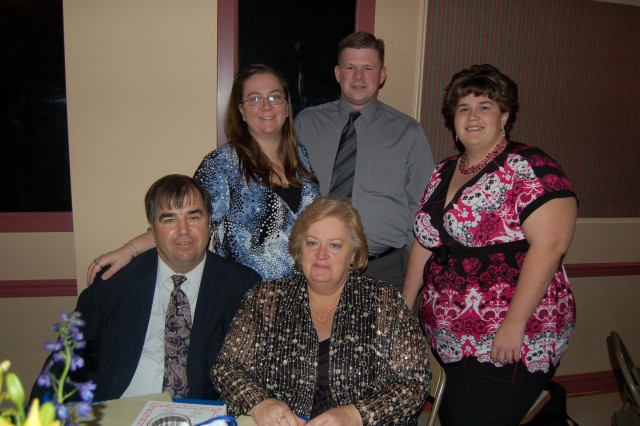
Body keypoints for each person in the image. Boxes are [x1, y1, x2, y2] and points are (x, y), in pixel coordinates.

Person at [402, 64, 578, 425]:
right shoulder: (443, 170)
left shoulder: (529, 164)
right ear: (452, 119)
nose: (472, 116)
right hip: (448, 334)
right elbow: (426, 240)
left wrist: (514, 323)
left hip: (510, 332)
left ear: (505, 115)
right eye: (463, 108)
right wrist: (405, 304)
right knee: (453, 411)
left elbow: (551, 244)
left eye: (484, 105)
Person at [31, 175, 261, 402]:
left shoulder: (242, 286)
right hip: (117, 407)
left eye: (194, 217)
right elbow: (65, 358)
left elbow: (254, 369)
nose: (183, 230)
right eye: (169, 219)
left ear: (209, 222)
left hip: (197, 414)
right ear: (152, 230)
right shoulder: (114, 281)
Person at [87, 64, 320, 283]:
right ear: (241, 111)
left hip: (305, 294)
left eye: (275, 97)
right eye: (255, 99)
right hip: (248, 299)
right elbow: (186, 222)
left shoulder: (301, 157)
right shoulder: (222, 164)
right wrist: (129, 250)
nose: (266, 106)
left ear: (286, 106)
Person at [212, 196, 431, 425]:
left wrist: (357, 415)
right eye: (312, 243)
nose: (321, 255)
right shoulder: (266, 298)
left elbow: (414, 382)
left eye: (335, 245)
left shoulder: (385, 302)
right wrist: (259, 403)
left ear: (353, 255)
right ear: (299, 250)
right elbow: (227, 368)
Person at [294, 31, 435, 290]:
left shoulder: (408, 132)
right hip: (317, 265)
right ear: (338, 73)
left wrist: (411, 281)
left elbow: (422, 210)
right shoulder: (306, 124)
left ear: (382, 75)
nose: (359, 77)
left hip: (383, 270)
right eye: (350, 67)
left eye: (368, 68)